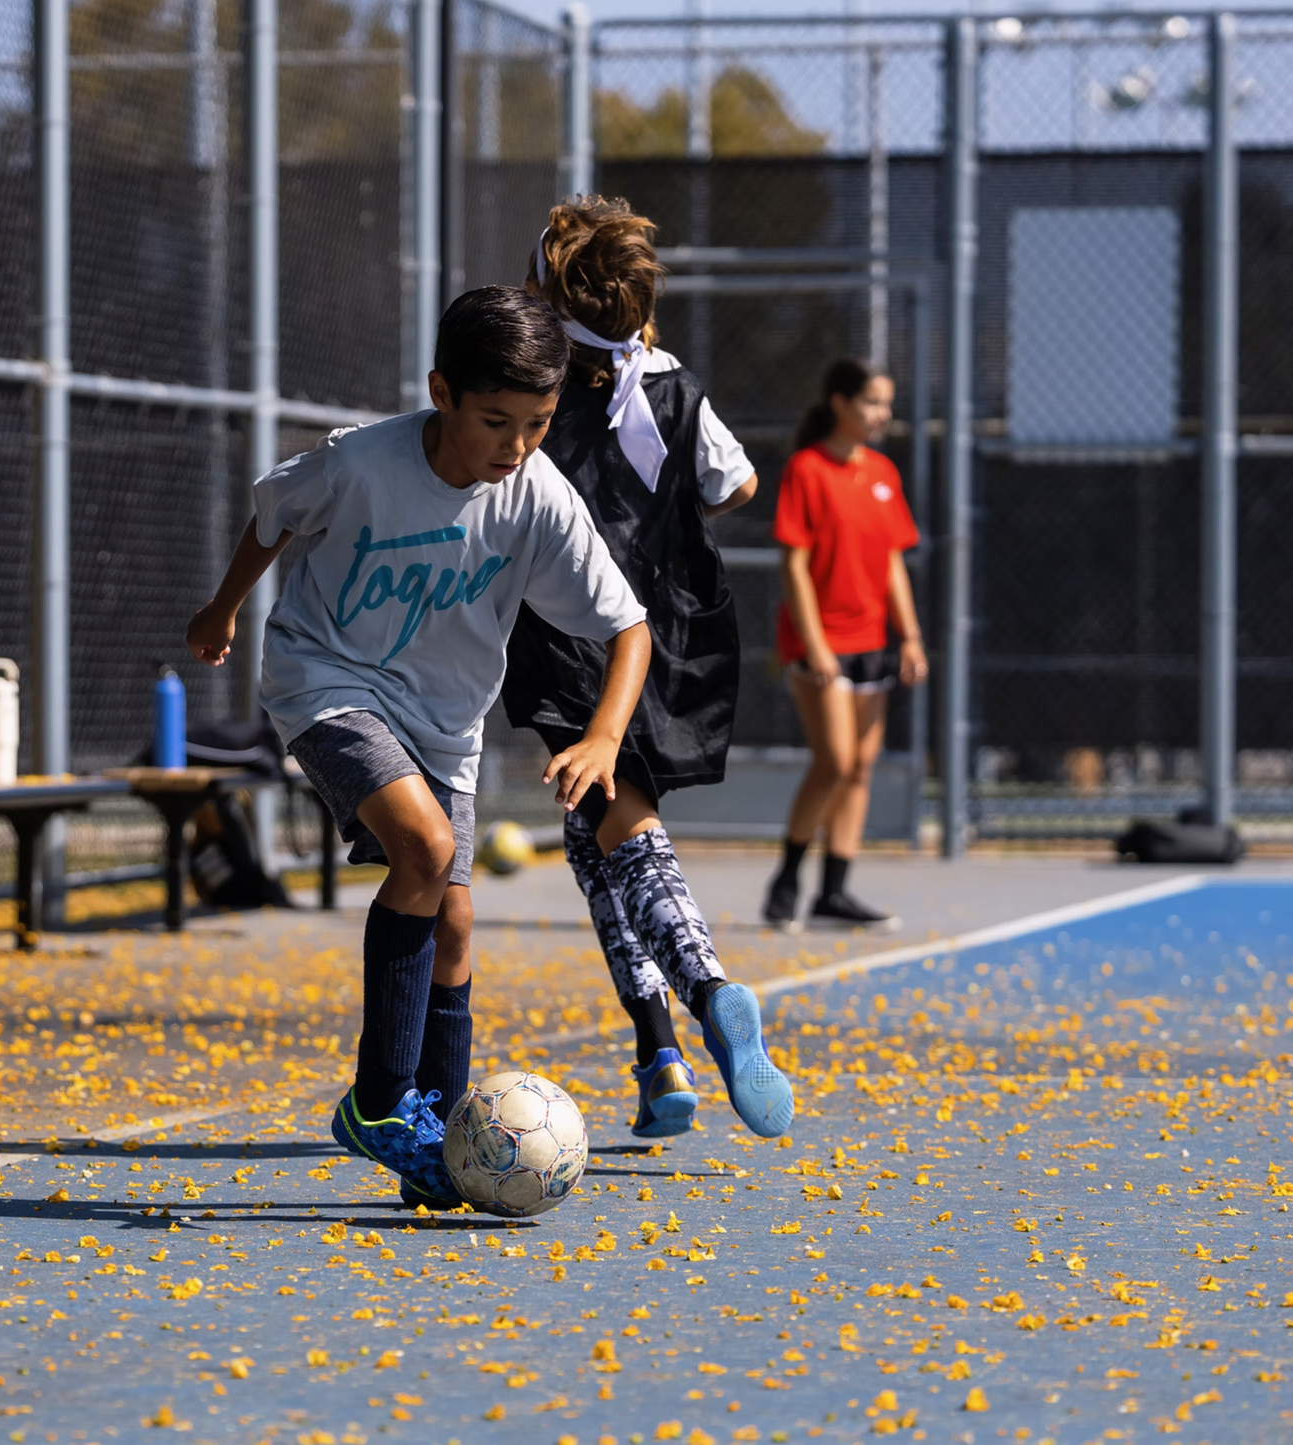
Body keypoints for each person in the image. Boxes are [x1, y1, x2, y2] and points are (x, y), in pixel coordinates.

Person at [185, 286, 653, 1206]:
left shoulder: (538, 497)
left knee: (457, 922)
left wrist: (604, 736)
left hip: (446, 725)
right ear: (442, 393)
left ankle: (438, 1139)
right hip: (326, 681)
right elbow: (275, 515)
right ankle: (379, 1102)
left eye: (539, 424)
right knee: (427, 851)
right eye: (496, 421)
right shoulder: (360, 462)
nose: (516, 446)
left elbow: (628, 626)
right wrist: (223, 606)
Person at [503, 196, 795, 1143]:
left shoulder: (532, 395)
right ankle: (657, 1050)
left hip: (573, 638)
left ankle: (707, 992)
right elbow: (737, 483)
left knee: (619, 823)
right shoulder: (670, 383)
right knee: (594, 834)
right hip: (671, 629)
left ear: (549, 301)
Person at [763, 357, 928, 932]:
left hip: (872, 642)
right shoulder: (806, 469)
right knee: (833, 761)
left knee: (859, 768)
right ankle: (788, 876)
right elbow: (794, 564)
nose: (883, 414)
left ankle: (833, 893)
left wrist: (910, 637)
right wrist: (815, 645)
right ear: (840, 403)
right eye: (872, 402)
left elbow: (892, 563)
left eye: (886, 404)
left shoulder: (882, 472)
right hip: (822, 643)